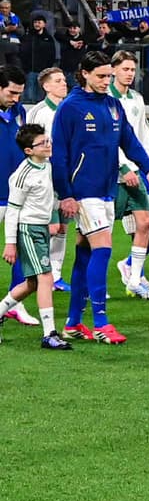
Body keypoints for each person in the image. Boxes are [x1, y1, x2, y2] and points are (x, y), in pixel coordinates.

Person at [52, 52, 149, 345]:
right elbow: (59, 156)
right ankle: (101, 322)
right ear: (85, 74)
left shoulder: (113, 105)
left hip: (107, 189)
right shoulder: (70, 107)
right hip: (83, 191)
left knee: (85, 254)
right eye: (100, 76)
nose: (105, 81)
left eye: (108, 76)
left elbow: (129, 141)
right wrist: (66, 194)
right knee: (103, 249)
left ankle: (73, 323)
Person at [0, 124, 70, 348]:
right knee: (46, 277)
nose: (48, 145)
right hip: (28, 229)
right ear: (29, 150)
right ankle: (49, 333)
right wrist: (10, 243)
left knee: (32, 283)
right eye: (42, 143)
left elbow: (47, 197)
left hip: (41, 228)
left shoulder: (46, 165)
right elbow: (13, 211)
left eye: (48, 141)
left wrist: (56, 213)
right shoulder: (22, 175)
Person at [110, 50, 149, 300]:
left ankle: (134, 280)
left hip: (135, 171)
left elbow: (142, 136)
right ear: (113, 70)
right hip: (111, 174)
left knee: (145, 223)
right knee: (99, 233)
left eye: (132, 69)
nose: (130, 74)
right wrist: (122, 166)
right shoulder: (105, 98)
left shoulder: (137, 99)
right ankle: (90, 285)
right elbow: (107, 139)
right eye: (125, 69)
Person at [24, 64, 69, 291]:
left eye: (64, 80)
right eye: (58, 81)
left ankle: (56, 275)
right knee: (48, 227)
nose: (64, 84)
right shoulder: (38, 112)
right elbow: (27, 144)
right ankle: (39, 272)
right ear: (46, 86)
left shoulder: (68, 108)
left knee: (62, 227)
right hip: (45, 177)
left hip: (65, 175)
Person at [0, 63, 36, 327]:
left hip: (16, 195)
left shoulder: (20, 113)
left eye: (19, 93)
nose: (16, 98)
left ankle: (14, 303)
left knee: (22, 250)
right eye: (11, 93)